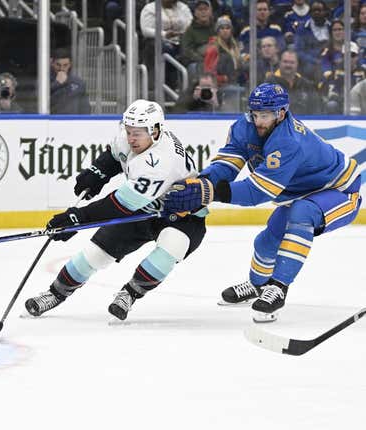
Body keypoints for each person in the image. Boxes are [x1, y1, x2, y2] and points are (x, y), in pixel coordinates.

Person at [163, 83, 362, 322]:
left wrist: (209, 193)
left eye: (264, 116)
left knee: (303, 212)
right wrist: (201, 184)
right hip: (301, 193)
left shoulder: (289, 141)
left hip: (339, 191)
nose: (257, 121)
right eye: (254, 114)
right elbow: (226, 165)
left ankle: (277, 288)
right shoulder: (243, 127)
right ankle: (258, 286)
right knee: (266, 242)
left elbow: (258, 192)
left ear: (281, 113)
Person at [24, 100, 207, 321]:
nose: (131, 138)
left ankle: (130, 294)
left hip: (182, 218)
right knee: (94, 255)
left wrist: (77, 217)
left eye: (137, 134)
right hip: (143, 211)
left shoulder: (160, 161)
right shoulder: (132, 136)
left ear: (156, 131)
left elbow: (120, 204)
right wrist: (97, 173)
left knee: (172, 246)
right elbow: (113, 156)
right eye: (129, 131)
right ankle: (55, 293)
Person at [265, 50, 319, 114]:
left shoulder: (306, 84)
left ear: (297, 64)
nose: (288, 65)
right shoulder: (269, 83)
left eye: (292, 62)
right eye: (285, 62)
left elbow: (315, 109)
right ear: (279, 63)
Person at [50, 48, 91, 114]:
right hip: (52, 122)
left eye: (65, 65)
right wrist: (57, 84)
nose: (61, 69)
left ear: (70, 64)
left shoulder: (79, 83)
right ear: (52, 63)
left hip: (73, 123)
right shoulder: (44, 82)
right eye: (58, 65)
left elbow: (85, 108)